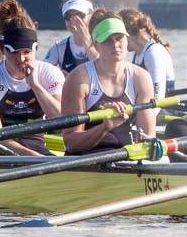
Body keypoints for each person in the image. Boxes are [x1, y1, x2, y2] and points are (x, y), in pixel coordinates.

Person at [0, 0, 67, 155]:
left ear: (36, 48)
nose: (21, 59)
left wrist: (36, 86)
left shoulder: (49, 73)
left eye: (26, 52)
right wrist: (37, 159)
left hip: (35, 146)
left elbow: (63, 120)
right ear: (3, 51)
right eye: (14, 53)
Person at [58, 10, 157, 154]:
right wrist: (105, 126)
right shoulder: (79, 79)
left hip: (125, 156)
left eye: (119, 38)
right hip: (85, 160)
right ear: (95, 45)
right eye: (107, 40)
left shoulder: (141, 78)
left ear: (127, 39)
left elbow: (148, 137)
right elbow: (71, 143)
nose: (115, 45)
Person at [121, 8, 176, 97]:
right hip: (145, 106)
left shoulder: (154, 52)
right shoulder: (138, 54)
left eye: (119, 36)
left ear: (130, 34)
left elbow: (157, 95)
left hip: (162, 109)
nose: (117, 42)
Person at [41, 0, 96, 74]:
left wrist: (86, 41)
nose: (73, 21)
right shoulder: (59, 47)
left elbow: (104, 69)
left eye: (80, 15)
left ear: (91, 16)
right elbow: (42, 73)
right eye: (68, 16)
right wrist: (58, 77)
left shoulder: (103, 43)